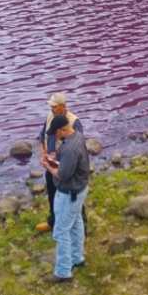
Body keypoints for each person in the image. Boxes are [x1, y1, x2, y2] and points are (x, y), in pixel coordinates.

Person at [42, 114, 90, 283]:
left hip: (70, 193)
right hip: (80, 189)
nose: (55, 136)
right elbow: (69, 163)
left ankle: (63, 272)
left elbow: (62, 175)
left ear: (63, 129)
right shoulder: (78, 136)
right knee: (76, 223)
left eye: (55, 133)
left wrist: (48, 166)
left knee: (61, 230)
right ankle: (78, 258)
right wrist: (55, 159)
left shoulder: (70, 148)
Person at [35, 92, 86, 234]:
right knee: (52, 194)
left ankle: (82, 228)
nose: (51, 108)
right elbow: (41, 136)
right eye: (51, 106)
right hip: (50, 164)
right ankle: (53, 222)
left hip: (67, 165)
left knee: (74, 196)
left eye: (54, 106)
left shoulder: (74, 121)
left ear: (63, 106)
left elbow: (79, 145)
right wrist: (44, 152)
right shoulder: (50, 116)